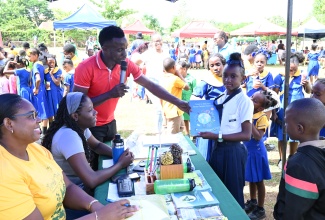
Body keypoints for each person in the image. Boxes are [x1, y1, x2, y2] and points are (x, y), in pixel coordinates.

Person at [0, 93, 139, 220]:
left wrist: (95, 206)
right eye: (31, 116)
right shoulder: (5, 174)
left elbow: (67, 187)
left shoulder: (37, 150)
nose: (39, 119)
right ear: (9, 123)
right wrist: (98, 217)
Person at [73, 26, 189, 170]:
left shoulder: (125, 64)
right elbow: (76, 105)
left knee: (114, 163)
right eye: (119, 50)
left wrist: (177, 102)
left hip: (110, 123)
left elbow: (150, 85)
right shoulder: (85, 67)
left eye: (126, 48)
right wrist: (110, 94)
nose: (124, 54)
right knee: (97, 168)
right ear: (105, 48)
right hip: (90, 126)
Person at [42, 92, 134, 190]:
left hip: (78, 188)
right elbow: (91, 180)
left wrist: (118, 154)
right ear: (75, 116)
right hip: (72, 193)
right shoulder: (68, 136)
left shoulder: (79, 127)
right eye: (90, 110)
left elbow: (97, 145)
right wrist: (120, 164)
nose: (95, 112)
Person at [199, 52, 254, 208]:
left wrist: (217, 135)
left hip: (233, 153)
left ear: (243, 79)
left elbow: (246, 134)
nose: (228, 80)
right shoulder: (221, 97)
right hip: (217, 149)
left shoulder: (244, 102)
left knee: (233, 195)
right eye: (225, 76)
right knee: (217, 191)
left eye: (233, 76)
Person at [273, 98, 325, 220]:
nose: (284, 126)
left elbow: (293, 213)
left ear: (299, 128)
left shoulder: (299, 166)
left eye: (286, 122)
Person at [271, 52, 311, 169]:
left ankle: (292, 157)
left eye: (294, 69)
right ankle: (281, 159)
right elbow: (274, 95)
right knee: (282, 136)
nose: (292, 71)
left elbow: (308, 91)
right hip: (283, 110)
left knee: (294, 135)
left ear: (298, 66)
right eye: (289, 69)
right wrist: (273, 113)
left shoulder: (302, 76)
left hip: (298, 110)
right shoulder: (279, 77)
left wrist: (307, 84)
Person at [244, 91, 277, 219]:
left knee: (258, 181)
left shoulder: (262, 117)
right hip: (248, 151)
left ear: (261, 108)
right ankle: (253, 201)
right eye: (251, 98)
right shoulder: (248, 113)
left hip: (257, 152)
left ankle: (261, 208)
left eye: (255, 101)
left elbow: (258, 136)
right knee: (252, 178)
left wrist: (249, 122)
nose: (251, 100)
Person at [192, 53, 226, 160]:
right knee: (208, 151)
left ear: (224, 65)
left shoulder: (229, 80)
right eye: (212, 66)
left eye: (218, 64)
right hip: (210, 121)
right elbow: (194, 99)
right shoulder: (206, 82)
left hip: (226, 119)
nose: (215, 68)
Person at [161, 58, 189, 134]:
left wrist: (163, 109)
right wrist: (179, 74)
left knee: (179, 131)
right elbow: (187, 87)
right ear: (173, 67)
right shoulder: (175, 79)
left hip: (167, 110)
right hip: (174, 112)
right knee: (172, 137)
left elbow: (160, 97)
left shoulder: (162, 79)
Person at [29, 48, 54, 135]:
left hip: (39, 90)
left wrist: (36, 88)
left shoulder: (36, 65)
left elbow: (38, 79)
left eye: (30, 56)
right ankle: (46, 132)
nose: (29, 58)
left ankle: (43, 133)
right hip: (43, 89)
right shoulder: (41, 65)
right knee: (44, 109)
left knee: (41, 110)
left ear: (36, 55)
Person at [178, 61, 196, 136]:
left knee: (190, 121)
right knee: (183, 122)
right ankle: (187, 136)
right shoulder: (177, 79)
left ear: (184, 69)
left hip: (189, 104)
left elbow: (195, 92)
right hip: (180, 104)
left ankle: (194, 136)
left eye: (178, 69)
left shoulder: (192, 79)